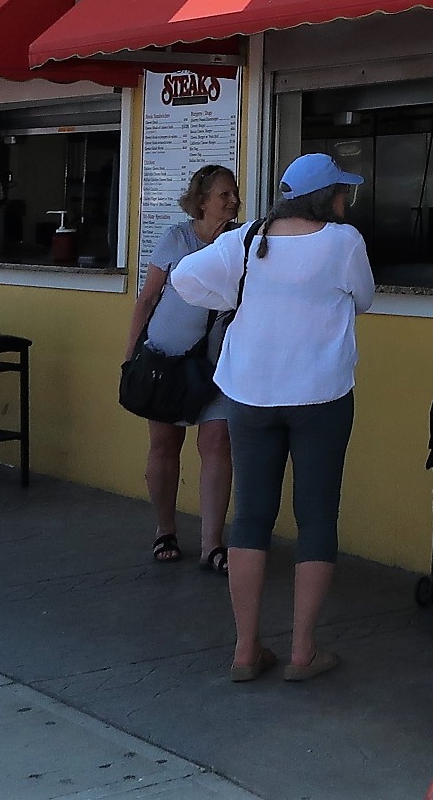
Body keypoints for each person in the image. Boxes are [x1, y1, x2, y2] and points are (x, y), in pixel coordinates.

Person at [172, 153, 374, 684]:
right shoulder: (343, 241)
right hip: (321, 394)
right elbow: (365, 299)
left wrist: (235, 296)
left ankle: (244, 649)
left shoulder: (248, 237)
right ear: (328, 196)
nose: (346, 201)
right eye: (342, 193)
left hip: (250, 393)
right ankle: (302, 651)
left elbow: (186, 278)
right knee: (315, 517)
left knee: (251, 517)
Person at [123, 163, 240, 570]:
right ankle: (165, 530)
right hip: (167, 361)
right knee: (164, 445)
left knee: (216, 445)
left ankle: (212, 544)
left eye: (234, 193)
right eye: (224, 194)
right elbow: (148, 299)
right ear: (202, 200)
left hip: (217, 365)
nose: (232, 200)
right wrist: (131, 355)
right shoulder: (178, 238)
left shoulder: (240, 244)